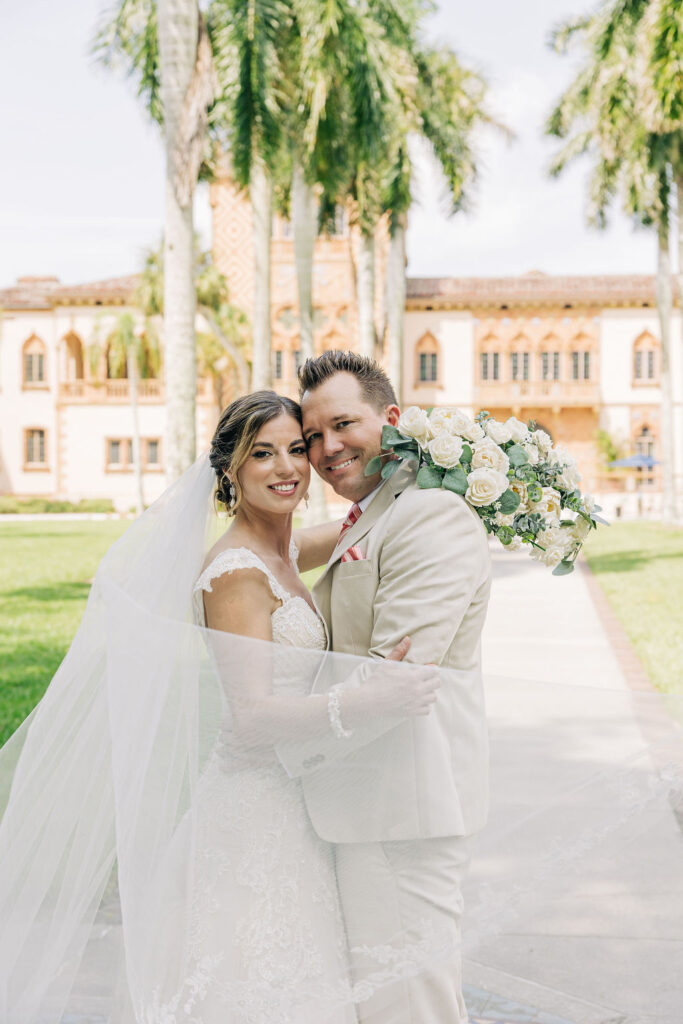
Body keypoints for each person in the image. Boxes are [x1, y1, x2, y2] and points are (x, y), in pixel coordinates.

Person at [0, 388, 441, 1024]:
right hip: (255, 811)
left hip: (298, 803)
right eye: (262, 453)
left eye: (297, 448)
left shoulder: (281, 551)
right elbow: (252, 717)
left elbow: (360, 523)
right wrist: (370, 700)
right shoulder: (236, 572)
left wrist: (440, 471)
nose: (287, 467)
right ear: (230, 471)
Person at [278, 351, 492, 1024]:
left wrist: (266, 731)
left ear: (391, 421)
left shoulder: (428, 515)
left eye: (342, 425)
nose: (325, 448)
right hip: (367, 802)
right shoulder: (375, 514)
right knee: (383, 996)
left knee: (409, 1003)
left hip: (402, 804)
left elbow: (391, 681)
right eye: (311, 438)